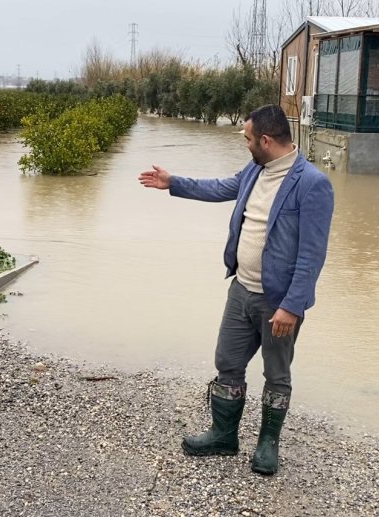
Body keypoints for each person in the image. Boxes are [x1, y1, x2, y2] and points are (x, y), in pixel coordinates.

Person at [138, 104, 334, 475]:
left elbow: (312, 253)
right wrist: (173, 182)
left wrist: (292, 306)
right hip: (241, 289)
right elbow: (221, 187)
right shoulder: (255, 170)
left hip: (279, 302)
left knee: (276, 374)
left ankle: (267, 445)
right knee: (227, 362)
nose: (245, 145)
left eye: (247, 139)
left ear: (265, 139)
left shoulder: (312, 183)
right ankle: (224, 435)